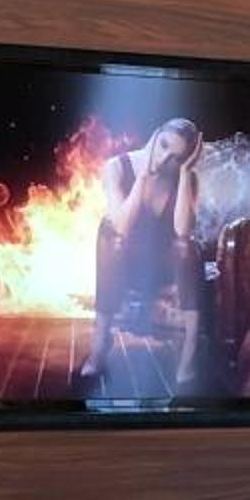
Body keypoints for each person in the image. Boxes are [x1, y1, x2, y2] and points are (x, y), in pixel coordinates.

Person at [79, 117, 198, 386]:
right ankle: (101, 342)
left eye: (176, 157)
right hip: (126, 262)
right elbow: (121, 226)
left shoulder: (186, 177)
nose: (164, 158)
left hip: (164, 267)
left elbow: (183, 230)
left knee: (187, 247)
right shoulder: (117, 167)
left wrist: (184, 174)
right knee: (110, 236)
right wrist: (142, 177)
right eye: (163, 145)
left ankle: (189, 349)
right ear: (155, 136)